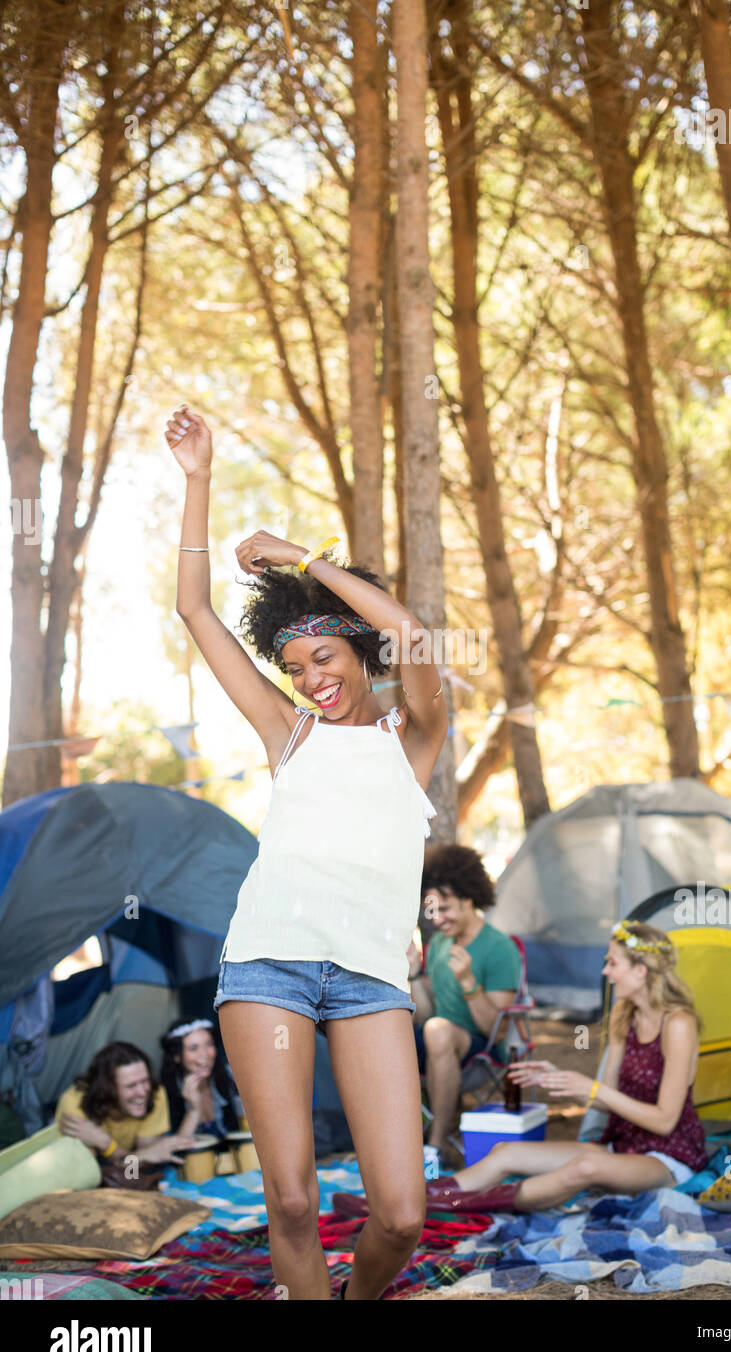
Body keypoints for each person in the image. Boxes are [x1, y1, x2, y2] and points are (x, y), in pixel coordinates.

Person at [166, 405, 448, 1301]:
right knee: (289, 1200)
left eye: (326, 657)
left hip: (368, 980)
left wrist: (298, 559)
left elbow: (416, 637)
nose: (314, 681)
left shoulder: (416, 741)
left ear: (356, 652)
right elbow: (193, 608)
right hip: (268, 968)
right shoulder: (289, 735)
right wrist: (200, 480)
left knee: (401, 1213)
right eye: (297, 669)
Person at [334, 920, 707, 1217]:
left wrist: (590, 1090)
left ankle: (430, 1209)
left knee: (583, 1171)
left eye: (613, 963)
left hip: (668, 1156)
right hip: (619, 1146)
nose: (605, 971)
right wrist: (555, 1077)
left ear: (641, 971)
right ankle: (400, 1203)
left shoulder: (678, 1023)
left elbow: (663, 1120)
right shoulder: (624, 1017)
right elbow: (605, 1101)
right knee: (505, 1154)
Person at [409, 844, 521, 1161]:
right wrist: (415, 974)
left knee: (439, 1030)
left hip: (480, 1051)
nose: (437, 919)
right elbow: (428, 1015)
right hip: (438, 1044)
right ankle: (394, 1140)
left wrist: (470, 983)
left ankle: (436, 1142)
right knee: (385, 1026)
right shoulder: (438, 946)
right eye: (431, 910)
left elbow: (496, 1031)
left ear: (468, 898)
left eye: (444, 908)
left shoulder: (499, 947)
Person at [55, 1041, 195, 1185]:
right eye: (131, 1086)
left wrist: (106, 1144)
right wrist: (138, 1156)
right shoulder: (74, 1103)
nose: (142, 1092)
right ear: (107, 1089)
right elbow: (80, 1177)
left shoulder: (154, 1093)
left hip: (125, 1172)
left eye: (145, 1081)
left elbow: (137, 1171)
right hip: (86, 1176)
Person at [159, 1017, 242, 1140]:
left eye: (209, 1044)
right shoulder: (164, 1093)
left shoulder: (230, 1077)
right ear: (176, 1056)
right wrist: (193, 1110)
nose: (204, 1054)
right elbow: (175, 1153)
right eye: (193, 1048)